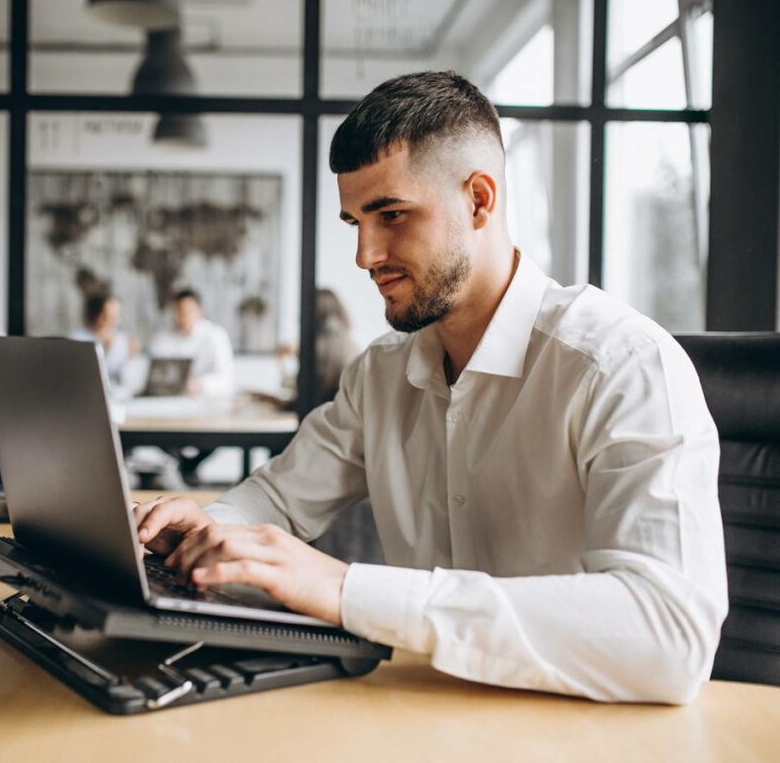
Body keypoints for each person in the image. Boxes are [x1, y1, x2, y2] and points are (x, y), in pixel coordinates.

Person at [131, 71, 728, 704]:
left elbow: (671, 635)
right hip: (419, 712)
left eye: (391, 215)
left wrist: (344, 591)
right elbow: (277, 498)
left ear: (478, 200)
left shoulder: (622, 365)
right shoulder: (380, 374)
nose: (365, 255)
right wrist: (203, 532)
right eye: (355, 220)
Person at [147, 289, 236, 398]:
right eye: (178, 312)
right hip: (170, 401)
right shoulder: (162, 338)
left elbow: (227, 380)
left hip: (208, 401)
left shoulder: (216, 336)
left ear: (200, 311)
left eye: (188, 311)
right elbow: (155, 379)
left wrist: (199, 384)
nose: (183, 316)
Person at [72, 291, 134, 386]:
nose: (115, 320)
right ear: (98, 316)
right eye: (111, 315)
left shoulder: (121, 340)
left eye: (116, 315)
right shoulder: (78, 340)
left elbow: (126, 377)